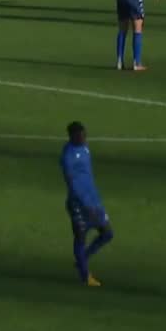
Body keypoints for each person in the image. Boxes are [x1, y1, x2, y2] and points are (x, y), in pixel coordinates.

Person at [61, 122, 114, 287]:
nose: (85, 137)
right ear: (72, 136)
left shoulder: (85, 148)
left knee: (107, 233)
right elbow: (71, 183)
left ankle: (82, 258)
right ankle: (85, 276)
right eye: (81, 135)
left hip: (93, 200)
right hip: (78, 204)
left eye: (85, 134)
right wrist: (84, 203)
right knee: (80, 237)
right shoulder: (68, 157)